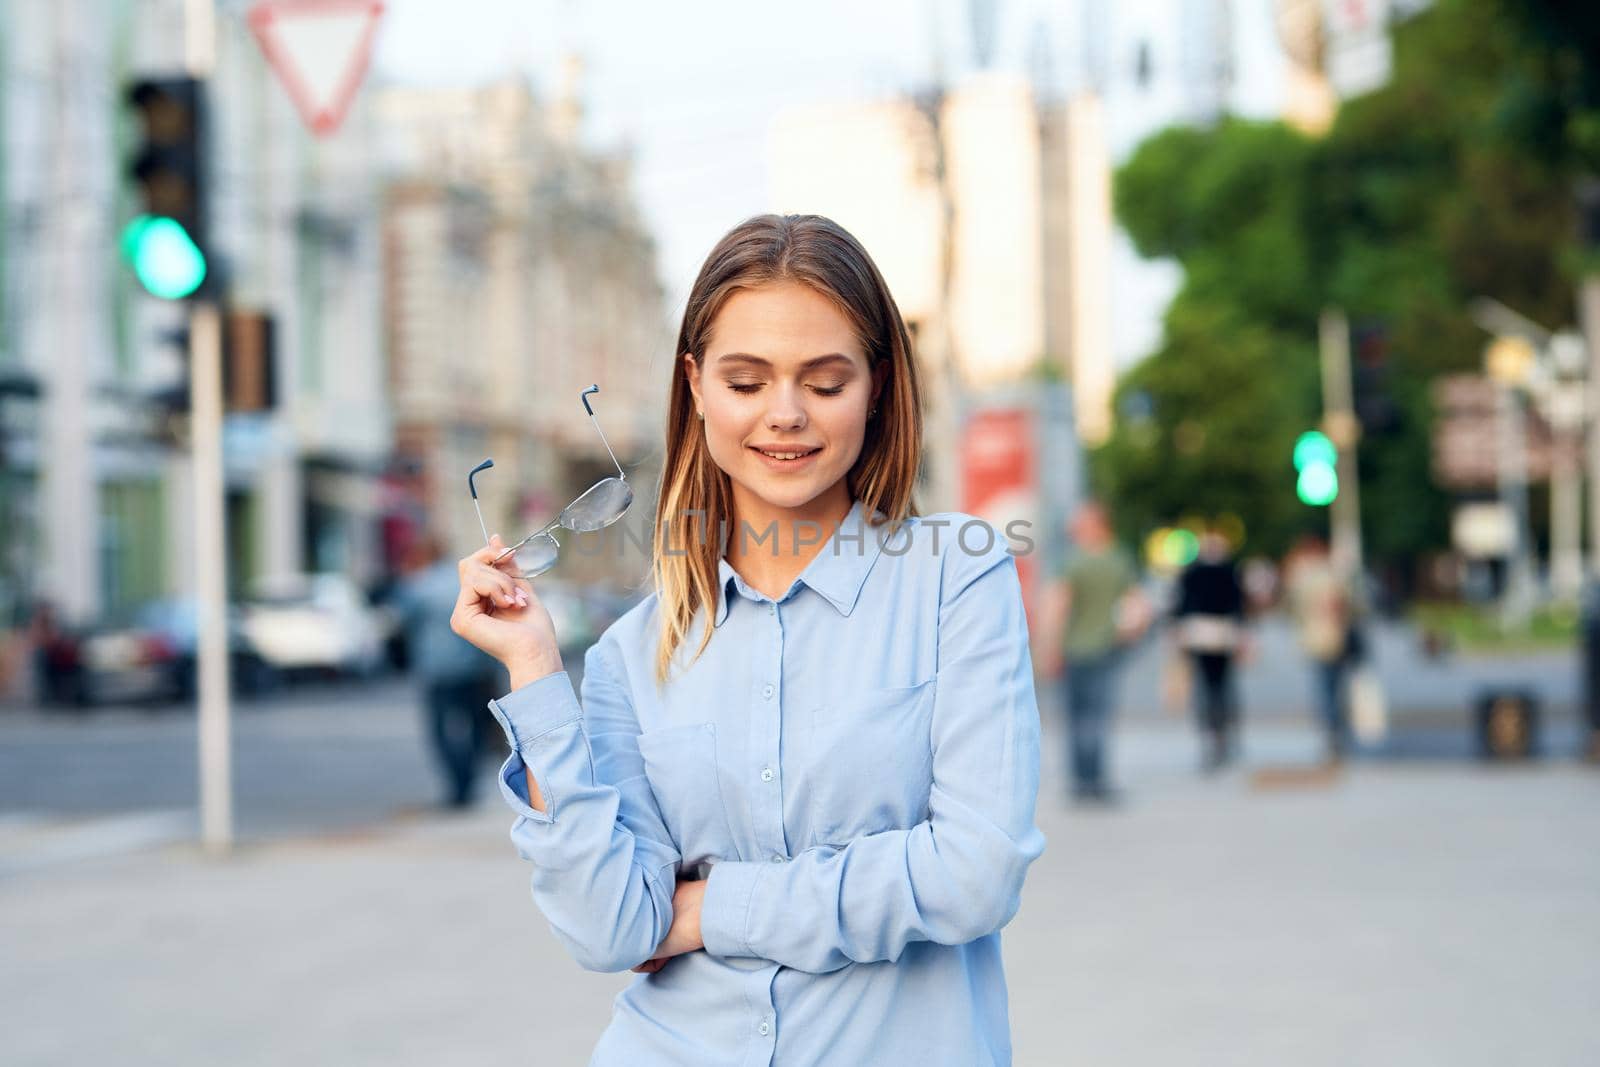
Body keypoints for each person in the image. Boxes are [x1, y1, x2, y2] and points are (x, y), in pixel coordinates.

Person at [451, 215, 1044, 1065]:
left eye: (826, 382)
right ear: (694, 384)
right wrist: (536, 672)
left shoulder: (957, 578)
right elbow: (611, 926)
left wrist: (708, 908)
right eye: (746, 380)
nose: (786, 415)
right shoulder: (634, 650)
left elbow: (977, 872)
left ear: (877, 385)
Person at [393, 535, 505, 808]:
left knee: (441, 731)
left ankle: (459, 785)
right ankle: (468, 780)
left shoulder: (419, 586)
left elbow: (399, 617)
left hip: (437, 670)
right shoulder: (462, 581)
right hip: (474, 667)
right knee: (476, 727)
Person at [1046, 501, 1143, 804]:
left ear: (1094, 524)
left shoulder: (1073, 562)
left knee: (1077, 717)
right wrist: (1128, 635)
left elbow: (1057, 608)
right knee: (1098, 716)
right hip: (1106, 648)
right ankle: (1097, 779)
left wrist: (1050, 649)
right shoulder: (1120, 559)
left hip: (1075, 649)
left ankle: (1080, 781)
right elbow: (1138, 607)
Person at [1172, 531, 1248, 771]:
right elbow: (1238, 603)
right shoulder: (1228, 572)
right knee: (1220, 685)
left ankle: (1214, 732)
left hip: (1203, 633)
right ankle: (1221, 733)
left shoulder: (1194, 573)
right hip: (1218, 632)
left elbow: (1181, 604)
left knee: (1209, 685)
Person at [1284, 533, 1357, 763]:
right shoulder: (1335, 573)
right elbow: (1351, 604)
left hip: (1317, 638)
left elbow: (1292, 606)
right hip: (1336, 636)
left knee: (1324, 687)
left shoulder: (1304, 576)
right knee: (1335, 686)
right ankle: (1336, 731)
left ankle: (1331, 731)